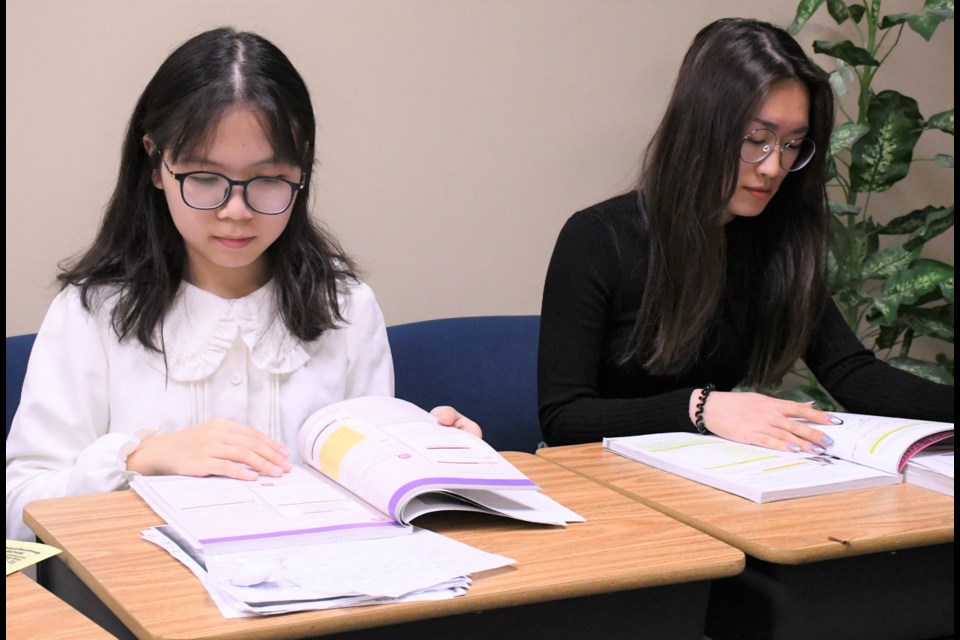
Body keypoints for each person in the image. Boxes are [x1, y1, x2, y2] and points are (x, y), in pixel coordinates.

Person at [5, 28, 480, 542]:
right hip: (151, 605)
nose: (236, 211)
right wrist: (141, 458)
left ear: (303, 168)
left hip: (318, 598)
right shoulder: (93, 311)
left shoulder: (344, 306)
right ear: (157, 164)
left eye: (268, 180)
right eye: (205, 178)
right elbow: (19, 510)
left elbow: (367, 490)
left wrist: (433, 461)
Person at [538, 17, 953, 451]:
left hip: (714, 480)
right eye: (758, 138)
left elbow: (853, 374)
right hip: (606, 486)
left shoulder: (776, 239)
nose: (774, 167)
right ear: (703, 129)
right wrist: (701, 408)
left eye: (793, 143)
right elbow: (562, 417)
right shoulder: (597, 237)